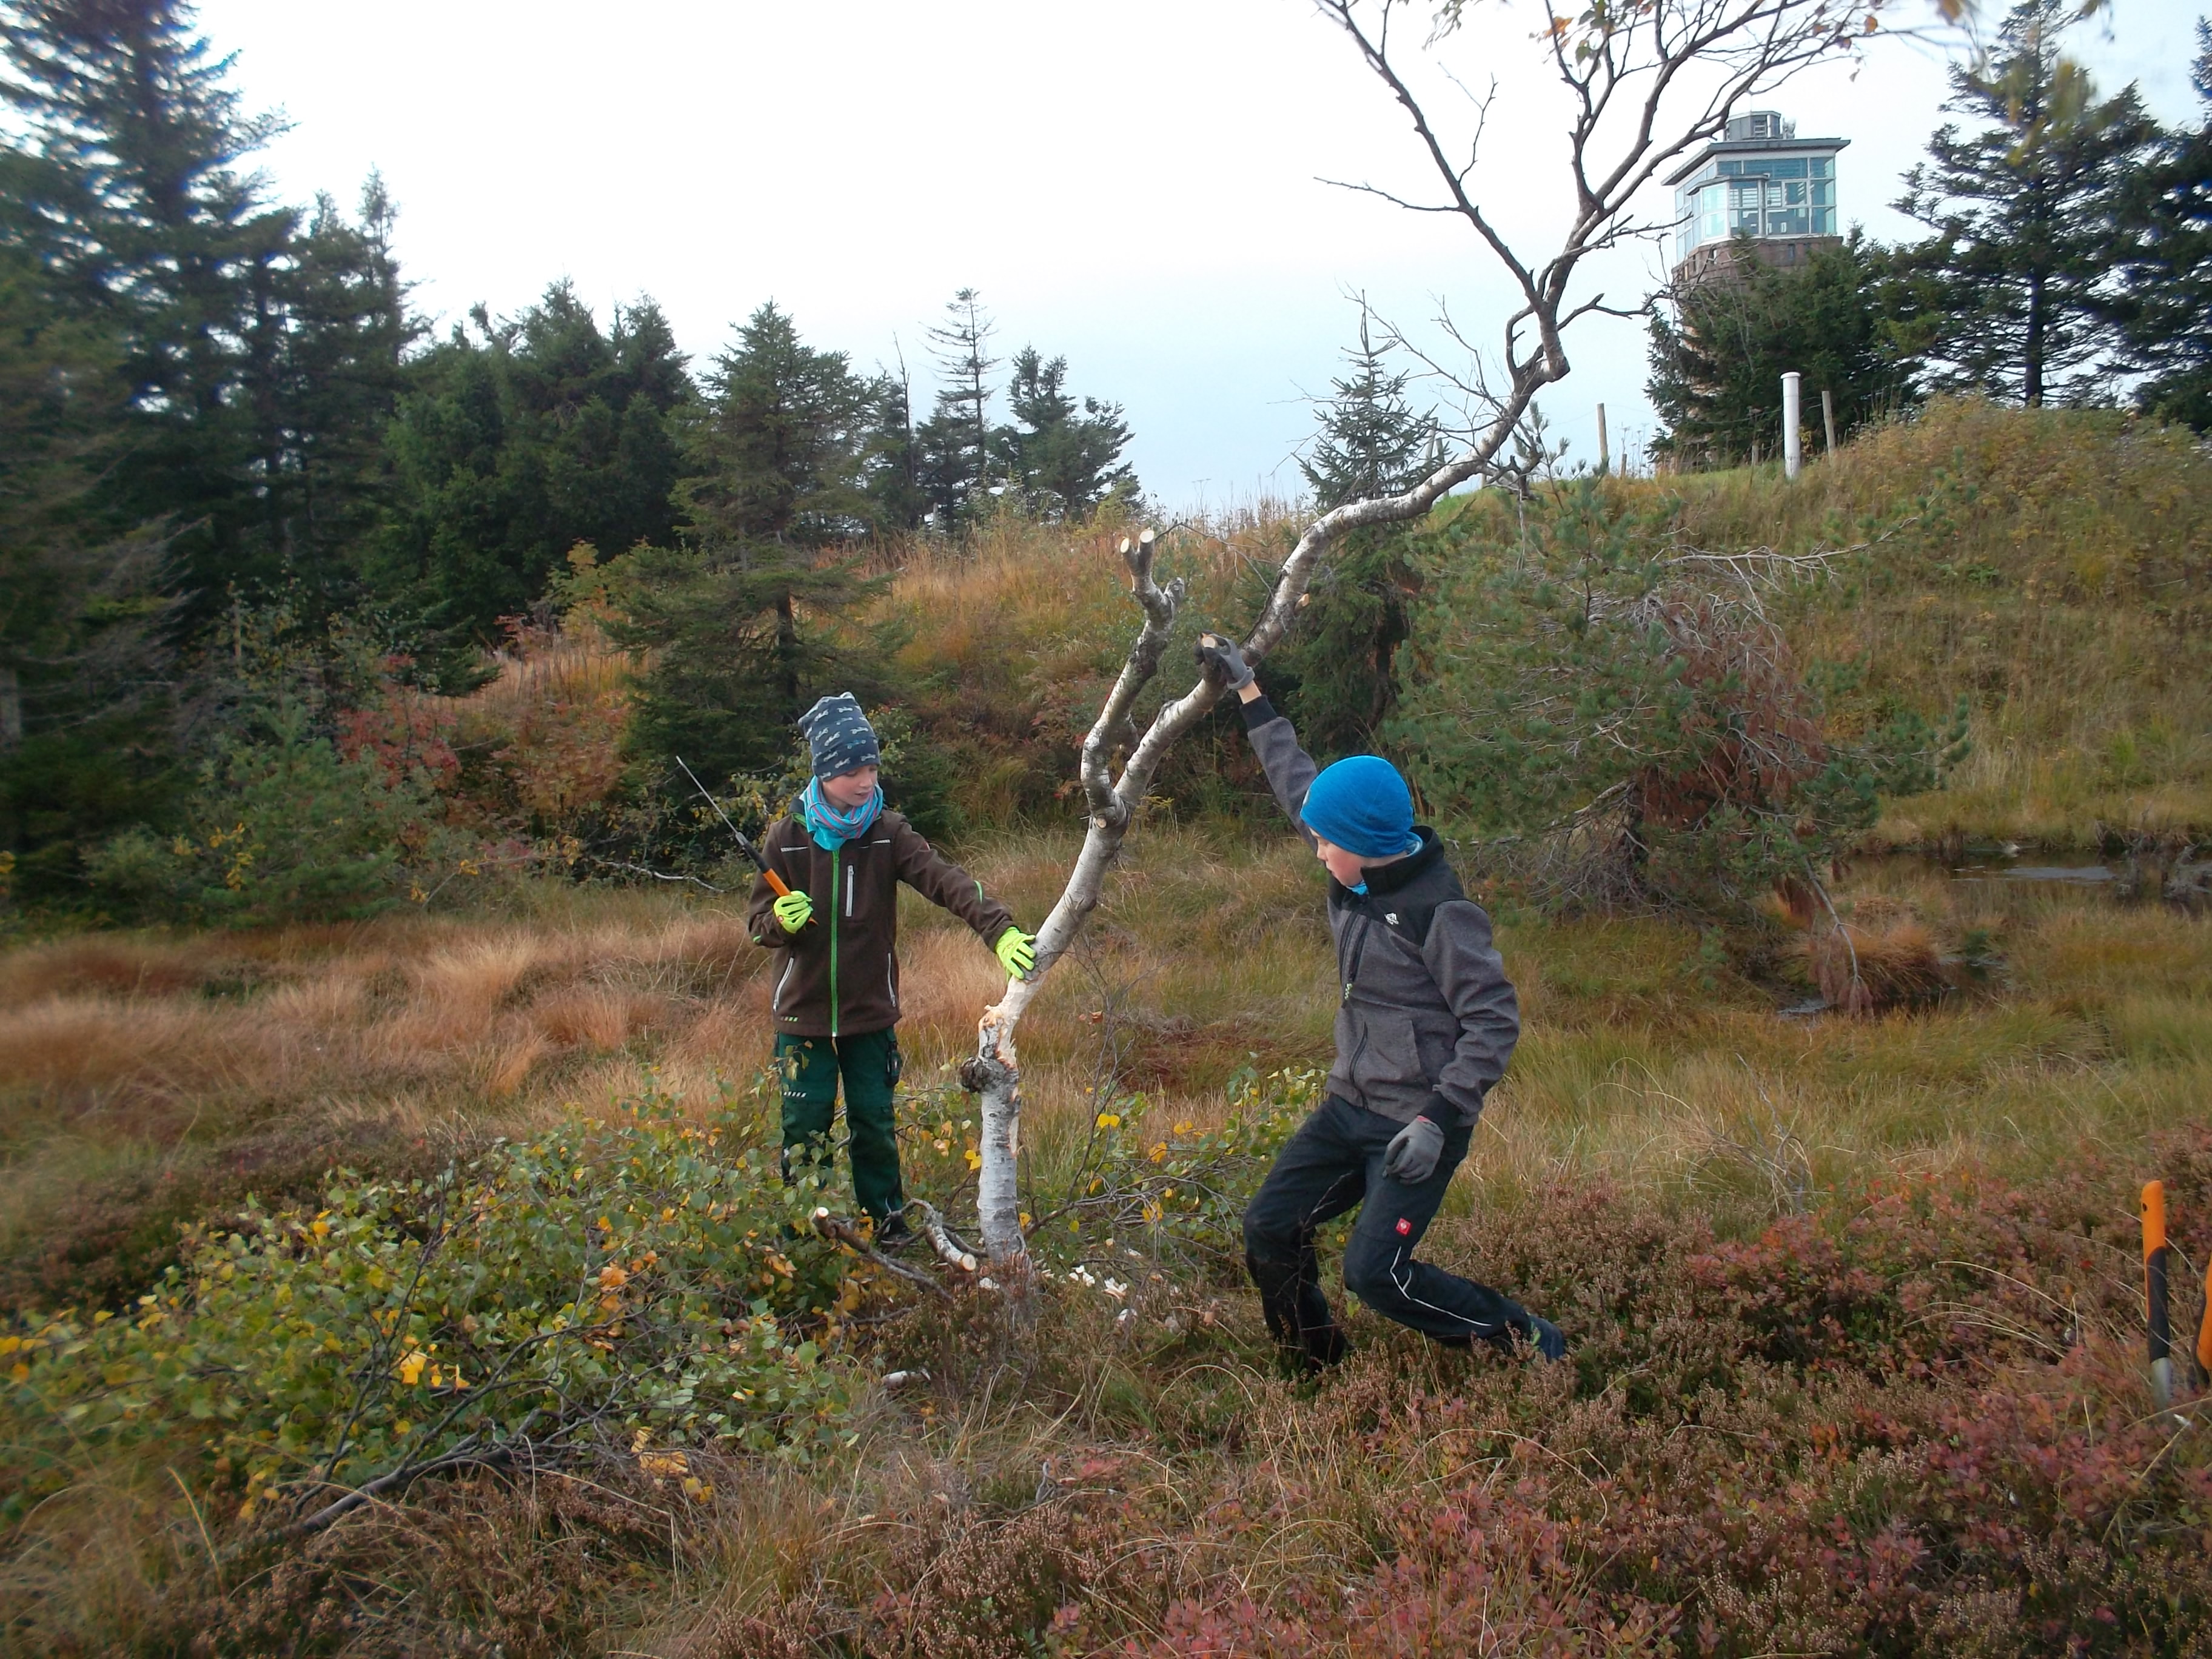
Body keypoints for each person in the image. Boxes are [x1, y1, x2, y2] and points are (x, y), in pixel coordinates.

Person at [1195, 633, 1566, 1369]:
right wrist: (1249, 692)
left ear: (1365, 842)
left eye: (1326, 841)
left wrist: (1439, 1117)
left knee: (1376, 1274)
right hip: (1349, 1105)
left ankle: (1531, 1343)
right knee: (1271, 1227)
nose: (1315, 847)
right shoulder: (1350, 856)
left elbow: (1494, 1020)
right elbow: (1296, 782)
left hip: (1418, 1122)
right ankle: (1315, 1362)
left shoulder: (1440, 912)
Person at [746, 692, 1036, 1239]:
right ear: (824, 771)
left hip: (870, 1015)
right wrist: (779, 921)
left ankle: (889, 1226)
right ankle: (800, 1234)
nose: (864, 780)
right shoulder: (787, 838)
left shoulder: (887, 831)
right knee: (802, 1131)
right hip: (801, 1019)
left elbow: (947, 880)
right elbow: (758, 924)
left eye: (872, 767)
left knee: (874, 1124)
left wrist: (999, 931)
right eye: (851, 769)